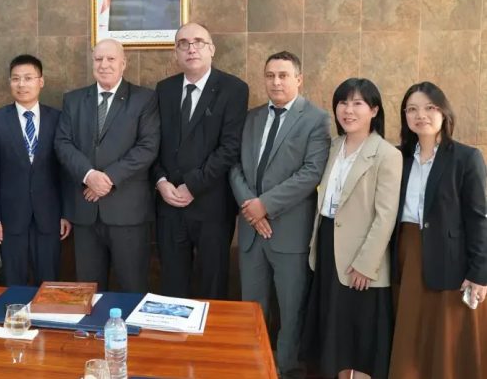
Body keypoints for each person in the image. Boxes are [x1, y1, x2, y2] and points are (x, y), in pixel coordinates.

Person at [229, 51, 330, 378]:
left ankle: (288, 370)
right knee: (251, 310)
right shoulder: (252, 117)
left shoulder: (316, 119)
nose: (276, 82)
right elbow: (235, 165)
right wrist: (251, 207)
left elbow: (311, 173)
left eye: (283, 75)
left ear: (299, 79)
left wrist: (266, 205)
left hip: (289, 234)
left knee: (291, 312)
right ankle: (252, 369)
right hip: (251, 230)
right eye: (270, 75)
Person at [301, 78, 401, 379]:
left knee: (360, 336)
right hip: (328, 244)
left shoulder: (387, 154)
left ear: (374, 110)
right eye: (343, 103)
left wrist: (365, 264)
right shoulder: (333, 146)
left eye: (358, 103)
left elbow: (386, 216)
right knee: (336, 331)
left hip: (361, 256)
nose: (348, 110)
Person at [388, 82, 487, 378]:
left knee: (446, 341)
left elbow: (479, 218)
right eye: (412, 109)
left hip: (451, 261)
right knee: (410, 337)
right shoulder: (397, 157)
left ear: (444, 112)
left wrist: (480, 272)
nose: (421, 115)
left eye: (429, 107)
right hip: (407, 256)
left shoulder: (466, 158)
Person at [54, 38, 160, 292]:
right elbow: (62, 143)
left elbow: (147, 147)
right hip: (85, 213)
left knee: (132, 288)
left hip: (128, 214)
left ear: (123, 63)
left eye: (111, 59)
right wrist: (89, 175)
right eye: (98, 59)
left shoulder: (144, 99)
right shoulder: (73, 100)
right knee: (88, 291)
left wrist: (107, 179)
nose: (104, 65)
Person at [152, 22, 248, 300]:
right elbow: (153, 143)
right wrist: (160, 182)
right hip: (169, 206)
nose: (191, 49)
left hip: (212, 206)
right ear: (176, 53)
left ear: (211, 49)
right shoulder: (164, 89)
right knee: (172, 288)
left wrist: (192, 185)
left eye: (198, 42)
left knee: (212, 288)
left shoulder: (233, 88)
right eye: (183, 44)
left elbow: (230, 148)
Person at [0, 54, 71, 286]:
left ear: (41, 81)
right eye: (16, 78)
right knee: (13, 281)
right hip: (10, 218)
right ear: (9, 82)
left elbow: (65, 171)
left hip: (49, 216)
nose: (22, 84)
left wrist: (65, 213)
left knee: (49, 281)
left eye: (28, 78)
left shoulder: (58, 118)